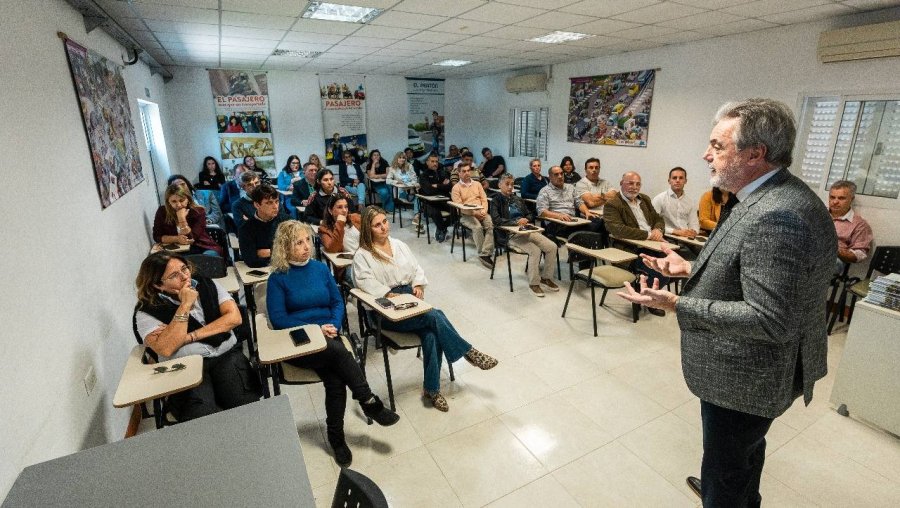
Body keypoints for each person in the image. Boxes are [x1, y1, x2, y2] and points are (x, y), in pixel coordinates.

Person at [619, 98, 836, 507]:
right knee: (740, 458)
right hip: (754, 374)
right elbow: (753, 267)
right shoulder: (768, 194)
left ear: (755, 153)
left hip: (748, 377)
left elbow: (770, 319)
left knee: (727, 469)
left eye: (718, 146)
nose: (706, 154)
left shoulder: (778, 214)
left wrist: (677, 304)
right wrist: (690, 267)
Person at [266, 221, 399, 466]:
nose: (306, 247)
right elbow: (279, 319)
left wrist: (333, 325)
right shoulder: (278, 278)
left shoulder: (319, 269)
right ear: (285, 246)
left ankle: (336, 437)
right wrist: (316, 328)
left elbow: (337, 303)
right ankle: (368, 400)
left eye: (307, 240)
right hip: (300, 340)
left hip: (329, 333)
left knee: (336, 380)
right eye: (298, 243)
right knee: (339, 353)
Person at [352, 207, 498, 412]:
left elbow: (416, 269)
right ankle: (468, 352)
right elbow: (364, 282)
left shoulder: (399, 245)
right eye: (377, 225)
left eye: (384, 221)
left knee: (431, 334)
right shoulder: (363, 255)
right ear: (368, 229)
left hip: (408, 298)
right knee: (435, 315)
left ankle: (432, 389)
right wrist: (387, 293)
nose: (384, 227)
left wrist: (418, 285)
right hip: (384, 308)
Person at [134, 252, 260, 420]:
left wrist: (188, 337)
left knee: (246, 402)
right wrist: (185, 305)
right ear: (158, 285)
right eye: (174, 275)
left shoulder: (207, 284)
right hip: (185, 366)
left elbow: (234, 318)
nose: (184, 276)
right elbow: (166, 348)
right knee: (202, 414)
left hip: (225, 354)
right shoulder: (146, 311)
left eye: (184, 269)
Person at [603, 171, 668, 312]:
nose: (634, 187)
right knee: (658, 271)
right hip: (630, 249)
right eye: (630, 183)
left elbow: (658, 219)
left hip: (653, 245)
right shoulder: (612, 204)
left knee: (670, 267)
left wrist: (658, 229)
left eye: (638, 184)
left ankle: (643, 293)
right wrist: (649, 235)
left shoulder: (644, 199)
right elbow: (618, 230)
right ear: (621, 184)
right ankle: (649, 300)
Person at [491, 173, 559, 297]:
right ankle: (534, 283)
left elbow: (530, 214)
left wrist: (526, 219)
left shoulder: (517, 199)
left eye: (512, 184)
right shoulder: (495, 200)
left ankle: (546, 277)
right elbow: (496, 220)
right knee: (535, 250)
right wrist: (516, 222)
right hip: (510, 234)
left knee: (552, 247)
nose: (510, 187)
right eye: (507, 184)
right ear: (499, 185)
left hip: (526, 230)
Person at [153, 184, 222, 257]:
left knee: (208, 257)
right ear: (168, 202)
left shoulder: (198, 211)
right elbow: (157, 236)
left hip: (200, 247)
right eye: (174, 201)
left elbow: (190, 239)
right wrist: (177, 239)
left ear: (188, 199)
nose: (178, 205)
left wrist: (181, 219)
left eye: (181, 200)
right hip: (175, 250)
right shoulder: (162, 212)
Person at [451, 162, 495, 268]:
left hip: (481, 212)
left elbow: (484, 199)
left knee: (490, 225)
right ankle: (483, 254)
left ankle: (485, 253)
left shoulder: (477, 184)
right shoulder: (456, 188)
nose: (467, 173)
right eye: (464, 171)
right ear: (459, 173)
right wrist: (475, 213)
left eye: (468, 171)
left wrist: (484, 211)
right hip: (466, 215)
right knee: (477, 227)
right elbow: (460, 207)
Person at [238, 184, 290, 268]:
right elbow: (251, 261)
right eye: (269, 203)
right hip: (261, 271)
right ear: (257, 205)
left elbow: (295, 252)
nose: (275, 207)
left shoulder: (287, 221)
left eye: (277, 201)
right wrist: (282, 253)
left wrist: (267, 252)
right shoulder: (246, 228)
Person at [828, 180, 874, 268]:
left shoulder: (859, 224)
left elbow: (859, 255)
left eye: (841, 198)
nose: (835, 202)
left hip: (833, 259)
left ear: (851, 199)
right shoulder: (817, 214)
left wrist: (834, 249)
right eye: (832, 197)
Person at [575, 157, 618, 243]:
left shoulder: (605, 182)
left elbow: (615, 196)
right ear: (585, 170)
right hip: (592, 217)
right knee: (605, 225)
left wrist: (599, 196)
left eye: (596, 167)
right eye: (591, 168)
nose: (594, 170)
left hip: (608, 214)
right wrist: (607, 198)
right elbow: (591, 203)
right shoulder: (581, 184)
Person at [319, 195, 361, 282]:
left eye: (346, 207)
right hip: (348, 265)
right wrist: (340, 223)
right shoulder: (325, 229)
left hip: (366, 259)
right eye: (339, 207)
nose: (344, 210)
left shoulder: (355, 218)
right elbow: (333, 248)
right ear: (330, 210)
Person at [536, 165, 584, 241]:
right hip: (556, 223)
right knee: (583, 233)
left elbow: (579, 202)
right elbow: (542, 212)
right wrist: (559, 216)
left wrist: (587, 212)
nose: (560, 176)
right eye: (556, 174)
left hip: (572, 221)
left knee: (597, 224)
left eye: (561, 173)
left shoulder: (571, 187)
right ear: (550, 177)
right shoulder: (544, 191)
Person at [652, 167, 700, 239]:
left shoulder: (690, 202)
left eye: (681, 178)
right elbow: (652, 223)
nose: (677, 180)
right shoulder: (659, 199)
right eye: (674, 178)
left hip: (687, 238)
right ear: (669, 181)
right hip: (667, 236)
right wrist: (675, 232)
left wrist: (693, 231)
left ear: (685, 181)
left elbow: (694, 223)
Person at [418, 153, 453, 243]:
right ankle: (442, 229)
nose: (435, 164)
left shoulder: (443, 173)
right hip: (430, 202)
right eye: (432, 161)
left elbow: (450, 187)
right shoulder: (423, 175)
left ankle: (441, 227)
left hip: (444, 200)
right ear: (427, 162)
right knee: (435, 213)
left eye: (436, 161)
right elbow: (428, 190)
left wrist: (437, 186)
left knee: (456, 211)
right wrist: (442, 186)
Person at [386, 151, 420, 226]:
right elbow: (387, 180)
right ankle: (417, 213)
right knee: (415, 196)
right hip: (400, 191)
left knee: (418, 196)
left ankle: (416, 216)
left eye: (404, 158)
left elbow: (414, 178)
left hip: (410, 189)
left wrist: (411, 185)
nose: (402, 159)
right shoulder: (392, 168)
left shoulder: (409, 166)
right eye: (400, 158)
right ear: (396, 159)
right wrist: (397, 181)